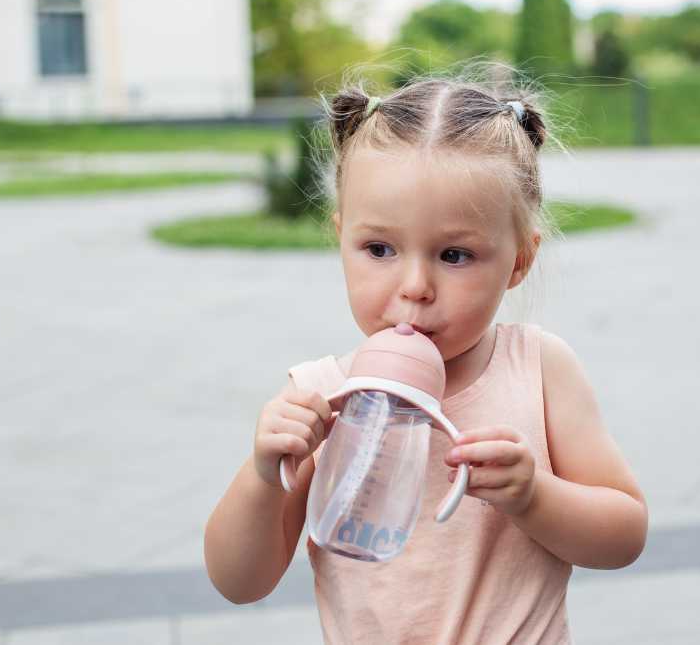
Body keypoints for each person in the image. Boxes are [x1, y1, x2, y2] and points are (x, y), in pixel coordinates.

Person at [204, 68, 648, 644]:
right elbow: (240, 582)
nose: (415, 285)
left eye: (455, 255)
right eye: (379, 249)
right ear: (341, 240)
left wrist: (535, 495)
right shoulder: (324, 396)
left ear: (518, 261)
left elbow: (624, 535)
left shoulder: (537, 369)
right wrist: (263, 477)